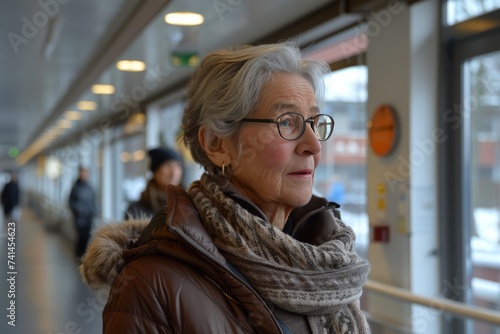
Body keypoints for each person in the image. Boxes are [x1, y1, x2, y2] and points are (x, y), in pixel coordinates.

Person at [80, 42, 371, 333]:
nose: (313, 145)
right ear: (217, 144)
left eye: (314, 122)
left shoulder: (329, 258)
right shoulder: (150, 285)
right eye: (287, 122)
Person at [124, 147, 184, 219]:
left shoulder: (188, 203)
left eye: (177, 165)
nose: (174, 172)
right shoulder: (137, 210)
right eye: (168, 165)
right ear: (155, 171)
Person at [68, 166, 97, 258]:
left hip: (89, 218)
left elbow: (93, 201)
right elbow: (70, 202)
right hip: (79, 219)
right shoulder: (76, 188)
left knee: (87, 239)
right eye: (82, 172)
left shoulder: (90, 188)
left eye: (85, 172)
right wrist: (78, 210)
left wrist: (93, 210)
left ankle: (84, 258)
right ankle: (78, 257)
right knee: (81, 238)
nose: (84, 174)